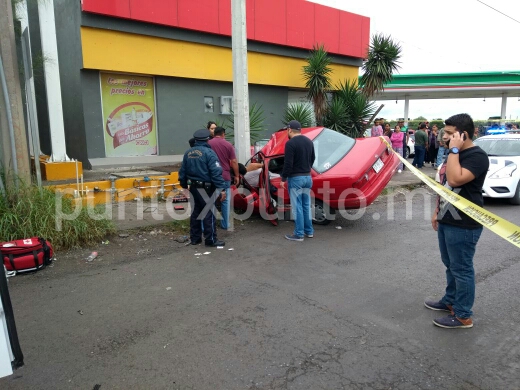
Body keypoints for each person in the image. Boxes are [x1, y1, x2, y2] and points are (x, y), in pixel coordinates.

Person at [427, 113, 489, 329]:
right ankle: (450, 300)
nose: (445, 137)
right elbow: (445, 185)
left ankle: (463, 315)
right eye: (445, 133)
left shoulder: (476, 156)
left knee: (462, 268)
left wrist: (453, 149)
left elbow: (455, 179)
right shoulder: (453, 154)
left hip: (464, 224)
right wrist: (437, 211)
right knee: (450, 265)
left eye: (450, 133)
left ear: (463, 134)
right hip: (447, 218)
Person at [179, 129, 227, 247]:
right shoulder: (209, 153)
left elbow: (182, 172)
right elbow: (216, 172)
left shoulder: (188, 153)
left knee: (195, 213)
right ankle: (210, 240)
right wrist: (222, 189)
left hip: (193, 188)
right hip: (206, 189)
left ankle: (195, 238)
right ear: (207, 139)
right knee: (208, 214)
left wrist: (184, 186)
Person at [280, 120, 315, 241]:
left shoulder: (290, 144)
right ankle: (309, 231)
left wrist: (283, 178)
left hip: (296, 178)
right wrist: (306, 169)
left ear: (289, 130)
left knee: (297, 207)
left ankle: (299, 234)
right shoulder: (309, 142)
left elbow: (288, 164)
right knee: (306, 205)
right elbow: (313, 159)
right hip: (307, 177)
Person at [208, 127, 239, 230]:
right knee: (225, 201)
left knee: (210, 200)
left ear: (214, 133)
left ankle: (209, 224)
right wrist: (237, 175)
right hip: (225, 176)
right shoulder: (228, 145)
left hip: (211, 177)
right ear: (223, 134)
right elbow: (234, 162)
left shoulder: (208, 144)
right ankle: (225, 224)